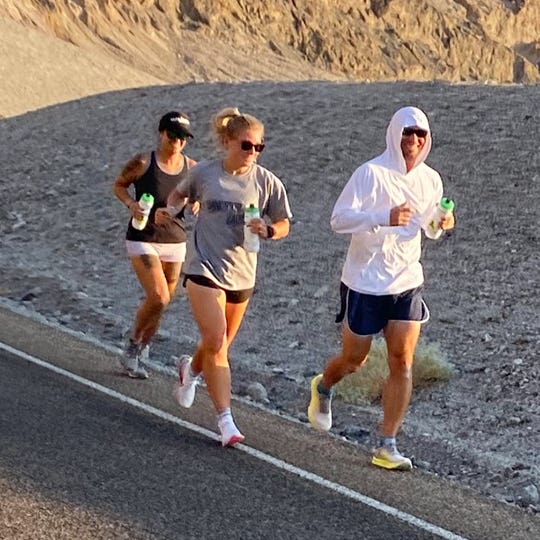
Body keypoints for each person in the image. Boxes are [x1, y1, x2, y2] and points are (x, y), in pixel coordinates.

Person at [307, 106, 455, 470]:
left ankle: (387, 444)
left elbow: (430, 228)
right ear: (394, 134)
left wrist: (443, 222)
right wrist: (381, 218)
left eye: (421, 135)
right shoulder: (369, 174)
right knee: (354, 359)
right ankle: (324, 387)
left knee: (402, 361)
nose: (414, 141)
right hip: (364, 282)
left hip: (406, 281)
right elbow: (338, 220)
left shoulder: (431, 180)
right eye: (408, 134)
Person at [167, 107, 292, 446]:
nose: (252, 153)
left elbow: (284, 223)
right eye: (246, 145)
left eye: (258, 147)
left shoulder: (266, 182)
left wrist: (267, 230)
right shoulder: (205, 173)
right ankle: (226, 421)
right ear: (227, 142)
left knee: (216, 344)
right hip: (203, 266)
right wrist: (174, 208)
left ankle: (190, 371)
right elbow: (177, 194)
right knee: (218, 341)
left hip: (242, 273)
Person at [113, 111, 197, 378]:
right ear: (161, 133)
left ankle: (141, 348)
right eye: (173, 136)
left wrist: (196, 202)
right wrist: (132, 205)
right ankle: (132, 346)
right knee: (159, 295)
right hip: (143, 237)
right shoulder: (142, 162)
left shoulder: (192, 168)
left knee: (163, 302)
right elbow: (119, 185)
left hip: (175, 240)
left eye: (183, 138)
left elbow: (199, 197)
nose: (177, 143)